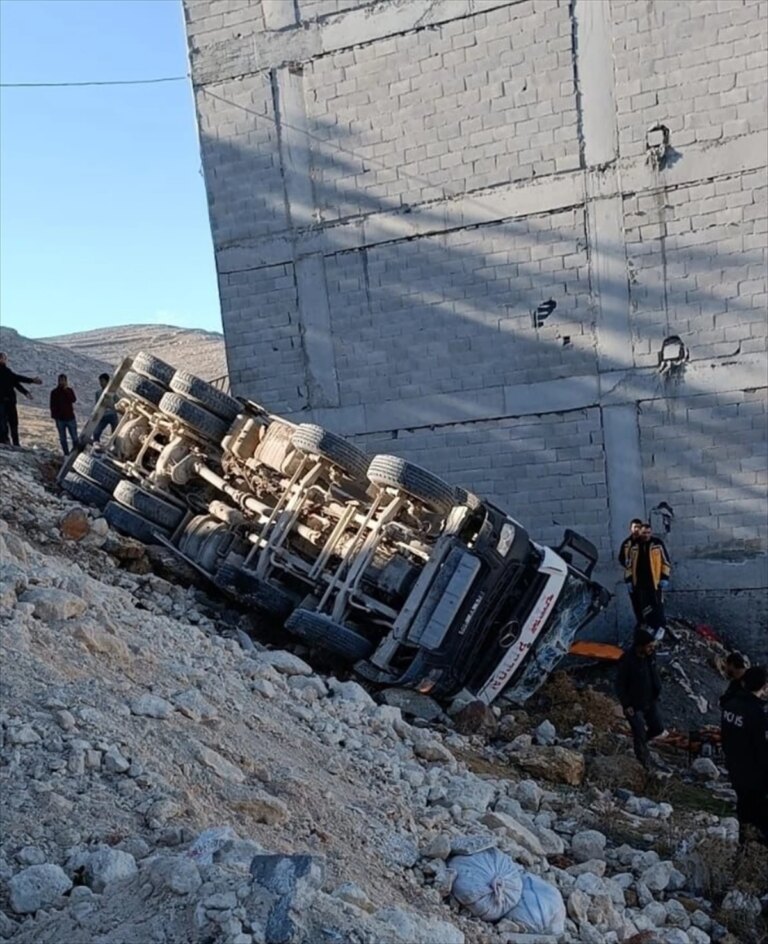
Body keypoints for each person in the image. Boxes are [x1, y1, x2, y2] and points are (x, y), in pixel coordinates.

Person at [720, 665, 768, 845]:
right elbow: (762, 750)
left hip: (735, 768)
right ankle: (755, 859)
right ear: (764, 687)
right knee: (761, 819)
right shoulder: (757, 713)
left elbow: (725, 737)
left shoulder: (730, 705)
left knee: (745, 814)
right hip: (755, 776)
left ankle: (745, 851)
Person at [615, 628, 668, 771]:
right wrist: (626, 704)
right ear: (640, 646)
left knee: (657, 728)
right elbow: (620, 685)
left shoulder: (650, 656)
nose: (652, 649)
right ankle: (645, 763)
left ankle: (641, 744)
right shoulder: (627, 660)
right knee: (639, 730)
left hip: (650, 701)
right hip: (633, 704)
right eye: (649, 646)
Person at [624, 522, 672, 639]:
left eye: (648, 533)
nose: (646, 535)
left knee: (657, 605)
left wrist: (664, 577)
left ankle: (660, 627)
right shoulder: (634, 547)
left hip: (654, 582)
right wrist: (629, 580)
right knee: (643, 607)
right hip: (640, 583)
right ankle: (648, 626)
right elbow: (629, 566)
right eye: (644, 533)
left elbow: (665, 562)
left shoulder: (657, 544)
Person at [0, 352, 42, 447]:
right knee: (3, 424)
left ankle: (14, 443)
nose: (5, 360)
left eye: (4, 358)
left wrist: (26, 392)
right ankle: (6, 442)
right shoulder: (6, 372)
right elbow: (17, 379)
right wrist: (31, 381)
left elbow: (15, 383)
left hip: (10, 402)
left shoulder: (7, 371)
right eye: (3, 358)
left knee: (12, 423)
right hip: (2, 402)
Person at [50, 374, 78, 455]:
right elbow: (52, 405)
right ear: (58, 381)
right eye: (60, 380)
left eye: (63, 380)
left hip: (70, 418)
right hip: (60, 419)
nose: (62, 382)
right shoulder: (54, 392)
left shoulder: (69, 390)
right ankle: (66, 454)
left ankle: (75, 453)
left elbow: (73, 400)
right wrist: (55, 417)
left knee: (75, 438)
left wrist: (66, 391)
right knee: (63, 439)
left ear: (66, 381)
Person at [92, 373, 119, 443]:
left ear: (107, 382)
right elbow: (97, 405)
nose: (101, 383)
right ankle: (96, 446)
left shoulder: (113, 392)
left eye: (102, 381)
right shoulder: (98, 393)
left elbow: (118, 402)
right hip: (103, 416)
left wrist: (113, 406)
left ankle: (114, 448)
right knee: (96, 433)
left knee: (115, 434)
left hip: (113, 415)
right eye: (100, 381)